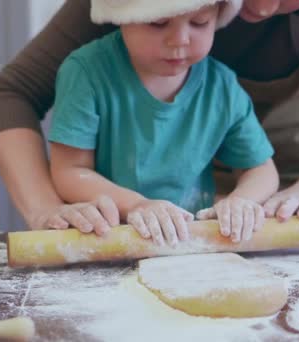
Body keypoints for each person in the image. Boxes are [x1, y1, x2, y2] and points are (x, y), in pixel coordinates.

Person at [0, 0, 299, 234]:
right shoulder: (92, 68)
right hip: (174, 204)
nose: (263, 4)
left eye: (201, 23)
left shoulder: (220, 87)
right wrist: (45, 209)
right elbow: (13, 94)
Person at [48, 0, 278, 246]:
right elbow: (70, 172)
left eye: (199, 22)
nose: (180, 39)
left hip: (190, 243)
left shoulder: (221, 86)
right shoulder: (86, 72)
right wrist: (136, 205)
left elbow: (262, 170)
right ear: (121, 15)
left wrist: (242, 200)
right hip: (107, 240)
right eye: (158, 23)